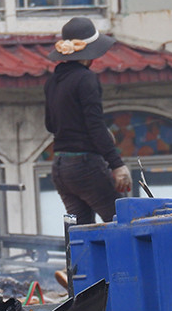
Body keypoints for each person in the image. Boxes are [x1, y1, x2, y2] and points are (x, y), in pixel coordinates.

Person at [44, 17, 133, 225]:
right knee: (122, 221)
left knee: (80, 230)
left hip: (61, 168)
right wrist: (117, 165)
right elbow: (95, 126)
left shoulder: (53, 81)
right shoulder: (86, 79)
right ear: (91, 53)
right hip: (85, 166)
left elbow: (51, 125)